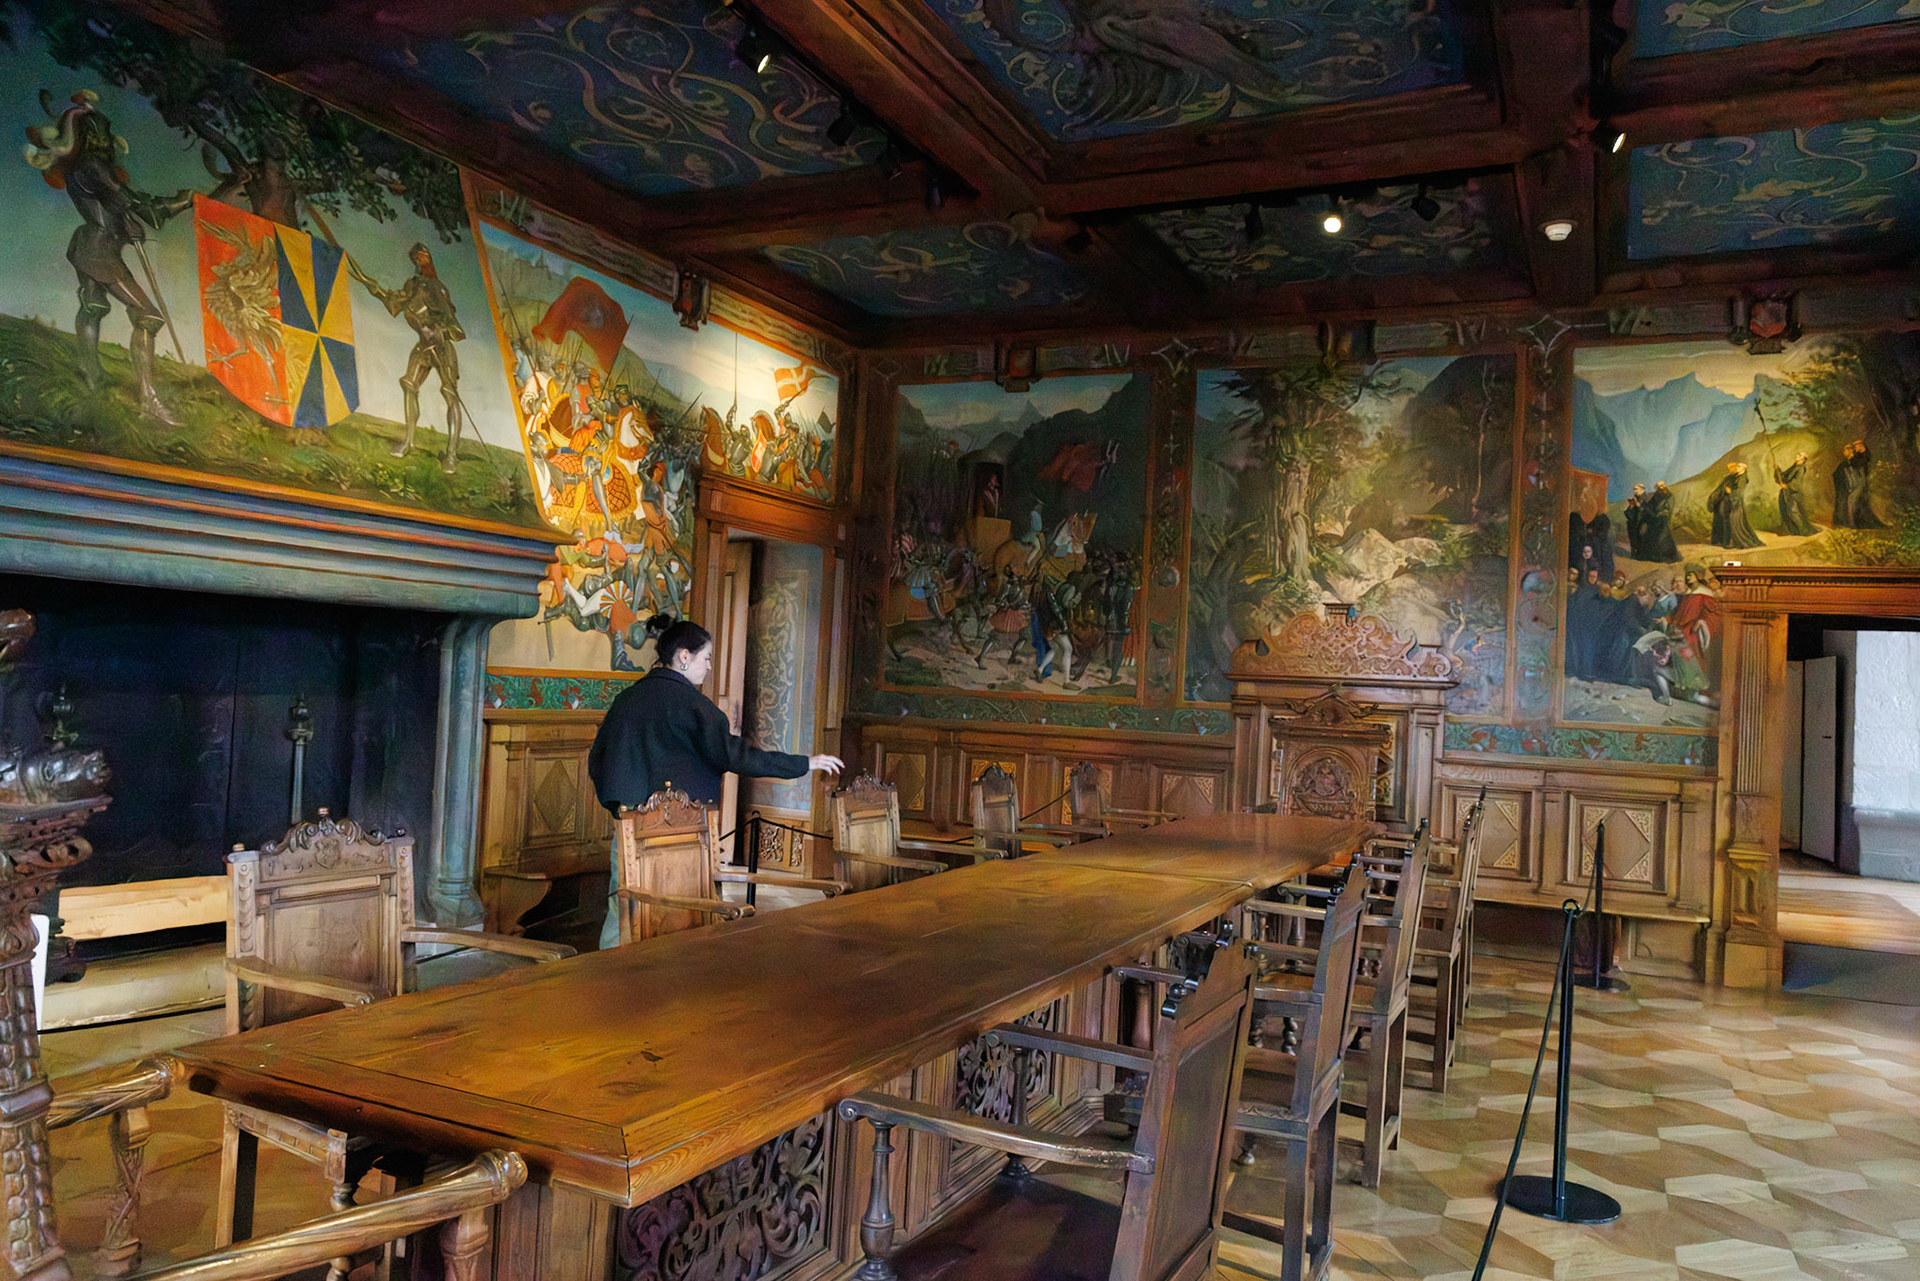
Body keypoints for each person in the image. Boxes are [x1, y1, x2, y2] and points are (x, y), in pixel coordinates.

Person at [587, 615, 844, 948]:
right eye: (706, 658)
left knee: (623, 912)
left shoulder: (626, 701)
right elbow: (736, 756)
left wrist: (621, 809)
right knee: (683, 918)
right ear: (684, 656)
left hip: (629, 827)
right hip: (684, 837)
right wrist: (803, 763)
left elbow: (598, 761)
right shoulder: (694, 706)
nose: (709, 667)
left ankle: (605, 975)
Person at [354, 243, 467, 471]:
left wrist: (437, 330)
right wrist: (370, 285)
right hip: (423, 346)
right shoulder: (412, 285)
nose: (418, 261)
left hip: (442, 347)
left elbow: (448, 316)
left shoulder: (437, 287)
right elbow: (395, 301)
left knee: (450, 394)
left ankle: (451, 455)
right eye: (415, 258)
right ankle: (408, 442)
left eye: (422, 257)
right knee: (409, 385)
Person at [1708, 462, 1763, 549]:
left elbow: (1739, 493)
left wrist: (1730, 492)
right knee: (1725, 519)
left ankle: (1732, 542)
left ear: (1744, 469)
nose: (1737, 467)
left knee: (1733, 521)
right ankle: (1723, 541)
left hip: (1735, 504)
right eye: (1736, 466)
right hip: (1728, 501)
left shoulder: (1742, 479)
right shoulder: (1735, 477)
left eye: (1739, 466)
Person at [1773, 451, 1814, 536]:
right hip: (1787, 492)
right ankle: (1792, 530)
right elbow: (1783, 476)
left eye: (1799, 455)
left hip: (1794, 493)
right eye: (1797, 454)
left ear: (1803, 459)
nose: (1797, 456)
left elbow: (1797, 483)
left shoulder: (1801, 469)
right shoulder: (1794, 467)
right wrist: (1777, 470)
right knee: (1785, 511)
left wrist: (1787, 486)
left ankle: (1804, 531)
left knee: (1793, 512)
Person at [1642, 481, 1680, 562]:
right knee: (1651, 537)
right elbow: (1651, 505)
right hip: (1654, 520)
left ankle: (1666, 557)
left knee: (1663, 538)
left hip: (1662, 520)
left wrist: (1661, 513)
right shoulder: (1656, 495)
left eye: (1663, 486)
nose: (1662, 488)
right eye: (1660, 487)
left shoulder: (1669, 496)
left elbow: (1668, 508)